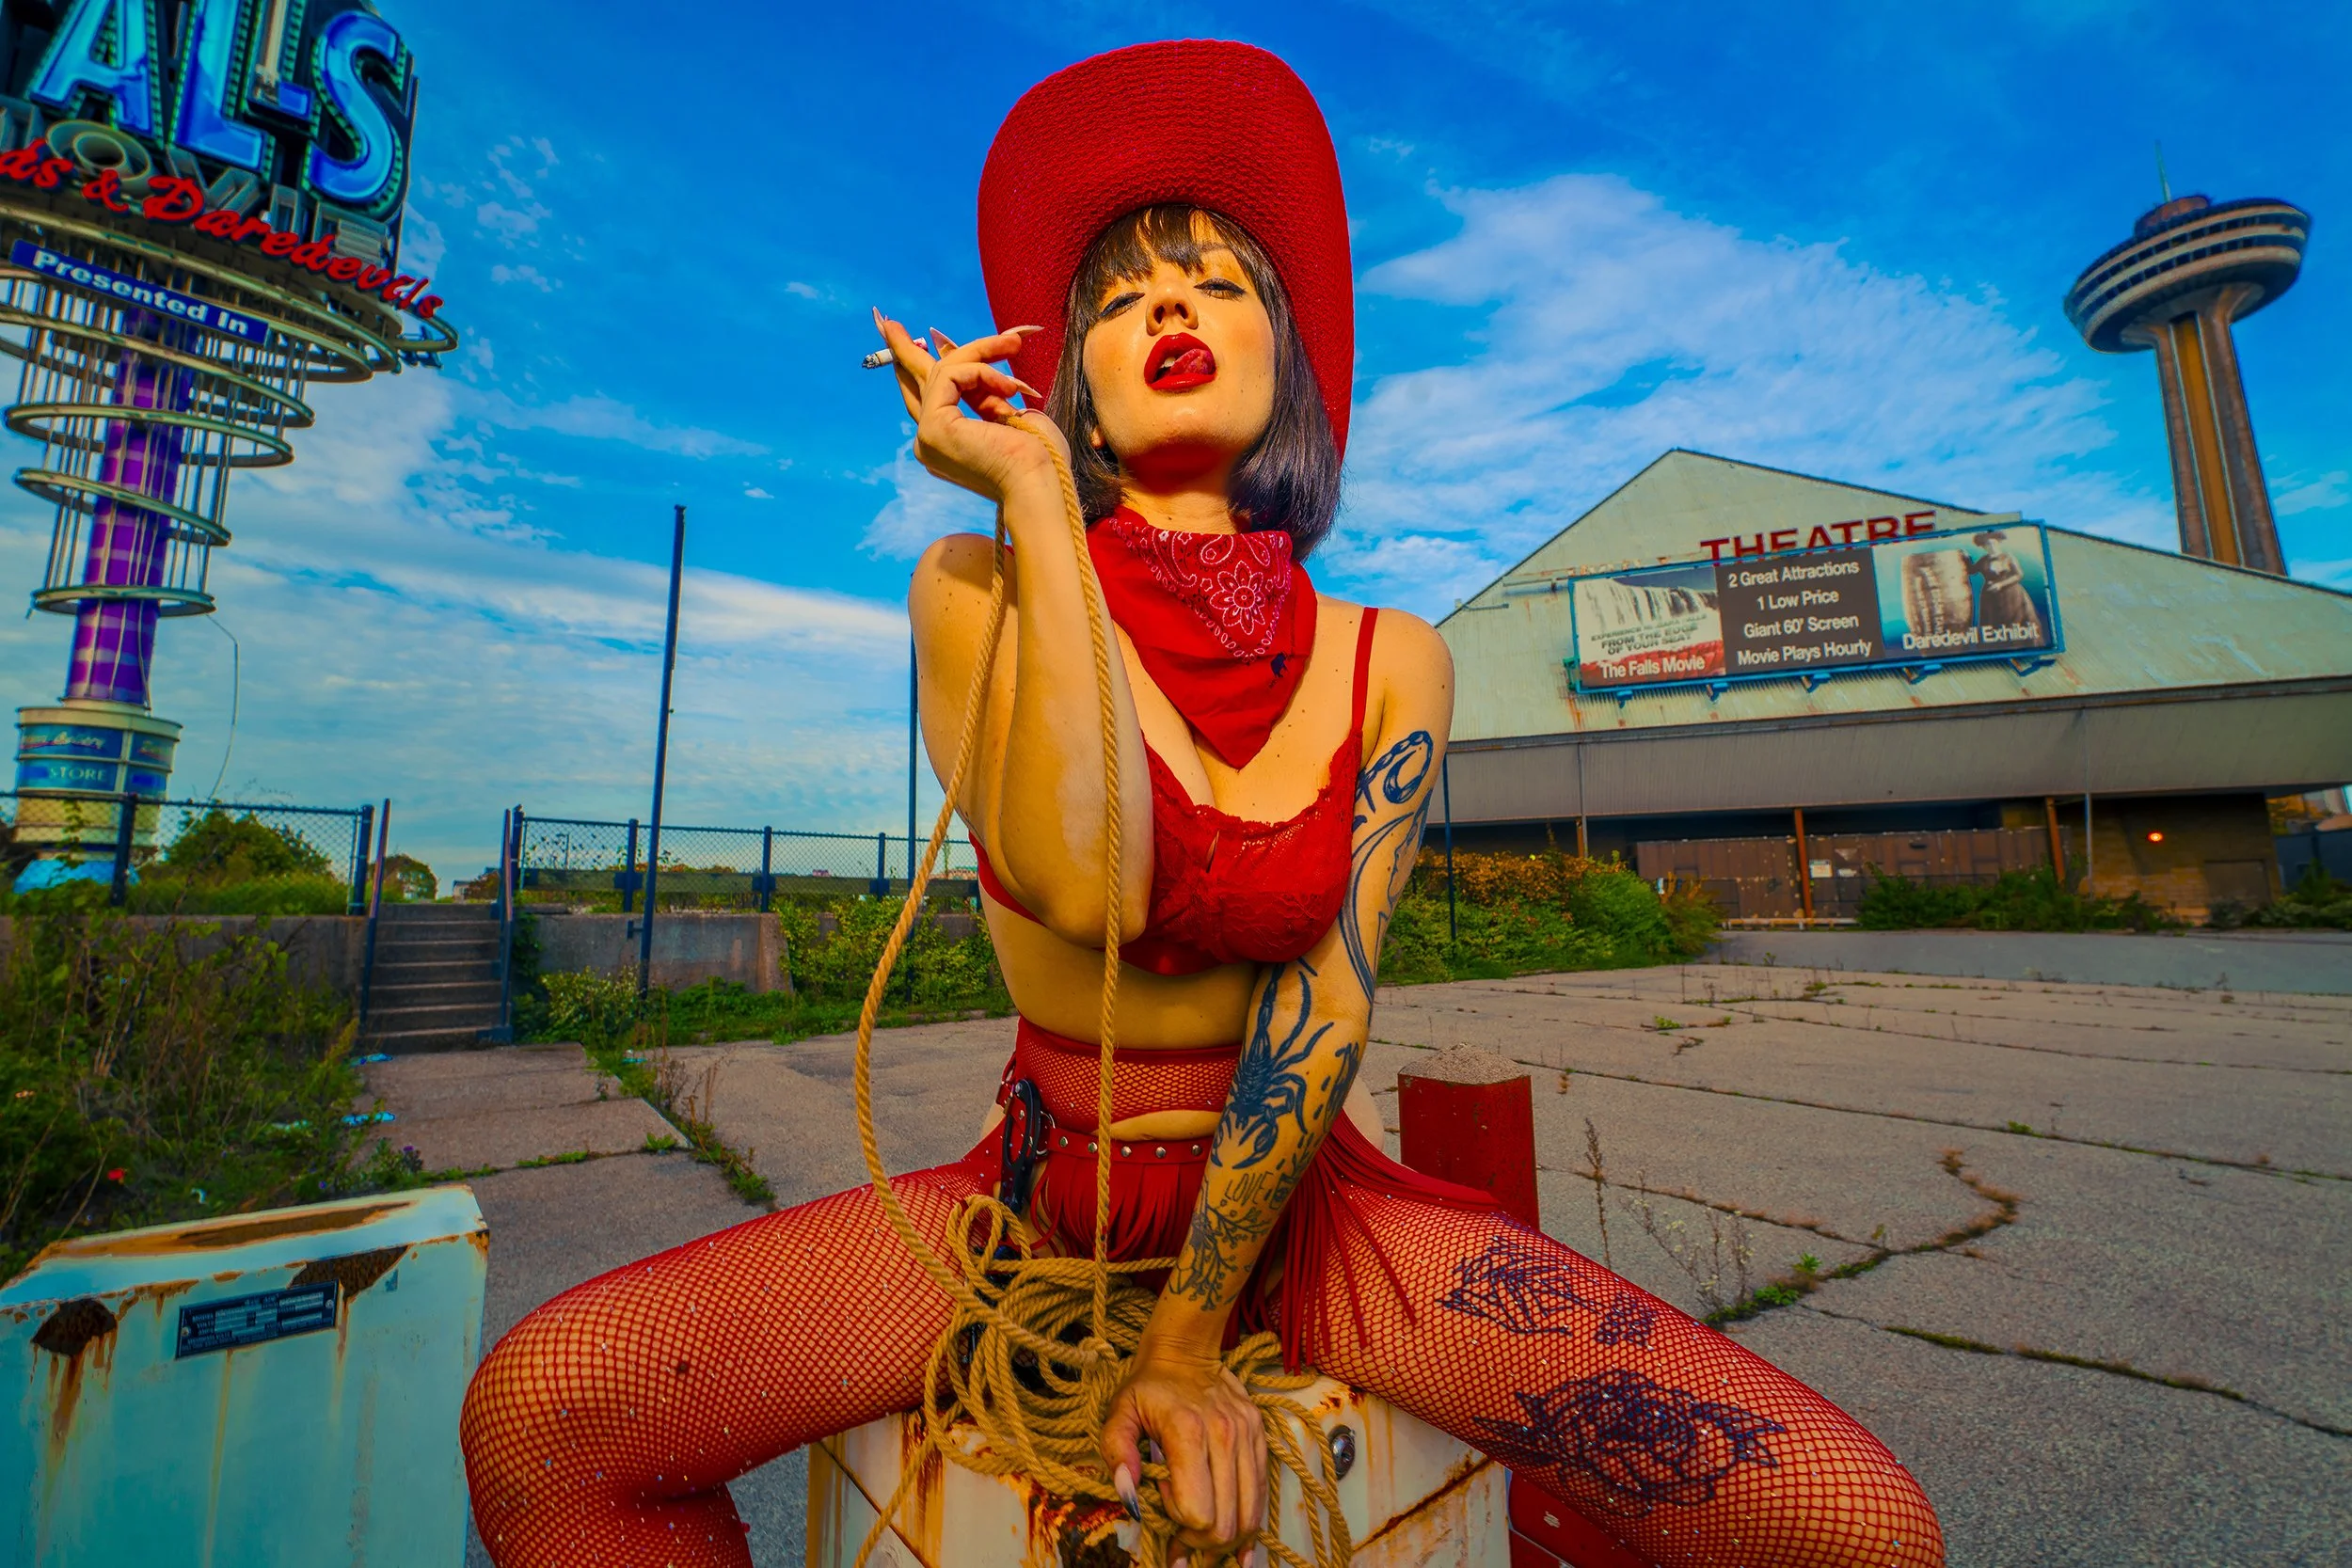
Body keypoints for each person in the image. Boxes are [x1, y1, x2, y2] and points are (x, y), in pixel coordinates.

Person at [460, 41, 1944, 1568]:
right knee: (546, 1411)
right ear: (1070, 380)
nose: (1168, 305)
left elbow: (1323, 1015)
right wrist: (1037, 500)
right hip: (1026, 1214)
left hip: (1311, 1218)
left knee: (1845, 1525)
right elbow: (1098, 879)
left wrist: (1182, 1341)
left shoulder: (1392, 659)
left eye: (1219, 281)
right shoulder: (974, 589)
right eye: (1117, 294)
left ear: (1291, 365)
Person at [1967, 531, 2042, 641]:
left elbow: (2018, 574)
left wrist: (2000, 584)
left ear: (1998, 543)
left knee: (2015, 621)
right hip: (1991, 597)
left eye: (1994, 543)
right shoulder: (1983, 560)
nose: (1991, 546)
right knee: (1993, 623)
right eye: (1988, 544)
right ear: (1984, 547)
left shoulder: (2008, 557)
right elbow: (1972, 570)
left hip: (2011, 595)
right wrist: (1966, 558)